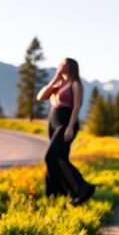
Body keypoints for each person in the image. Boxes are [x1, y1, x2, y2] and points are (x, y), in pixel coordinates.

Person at [36, 58, 96, 204]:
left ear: (69, 67)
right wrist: (54, 79)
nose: (59, 64)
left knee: (52, 156)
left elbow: (76, 107)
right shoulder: (58, 84)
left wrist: (70, 127)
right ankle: (56, 195)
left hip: (66, 124)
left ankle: (82, 188)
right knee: (56, 160)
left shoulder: (75, 84)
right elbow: (40, 97)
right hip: (53, 124)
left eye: (62, 63)